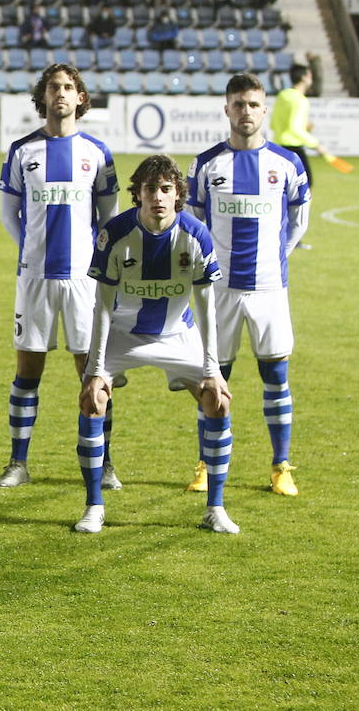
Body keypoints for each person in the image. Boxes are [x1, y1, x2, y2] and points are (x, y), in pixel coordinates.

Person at [76, 155, 237, 535]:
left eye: (166, 189)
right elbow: (100, 307)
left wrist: (212, 370)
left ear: (179, 194)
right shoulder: (115, 233)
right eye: (150, 189)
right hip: (124, 333)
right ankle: (94, 505)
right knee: (92, 399)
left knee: (218, 400)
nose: (158, 197)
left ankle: (215, 507)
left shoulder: (195, 235)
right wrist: (96, 370)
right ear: (138, 195)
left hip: (178, 334)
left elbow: (206, 307)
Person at [0, 65, 119, 489]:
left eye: (68, 87)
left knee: (92, 372)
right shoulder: (23, 151)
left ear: (81, 97)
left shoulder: (98, 153)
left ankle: (104, 463)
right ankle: (18, 463)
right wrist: (31, 249)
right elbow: (10, 214)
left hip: (84, 281)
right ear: (42, 97)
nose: (60, 93)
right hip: (34, 279)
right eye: (53, 87)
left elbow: (109, 218)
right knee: (28, 371)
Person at [186, 73, 311, 498]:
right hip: (219, 292)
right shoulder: (206, 165)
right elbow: (195, 226)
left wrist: (277, 258)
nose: (246, 112)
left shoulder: (287, 164)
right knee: (213, 380)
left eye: (254, 105)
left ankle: (281, 466)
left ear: (264, 110)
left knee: (275, 377)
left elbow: (298, 222)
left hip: (270, 290)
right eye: (238, 104)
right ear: (227, 109)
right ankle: (207, 463)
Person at [270, 60, 327, 193]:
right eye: (310, 75)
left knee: (281, 187)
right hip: (293, 148)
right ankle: (299, 214)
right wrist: (316, 145)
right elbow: (294, 128)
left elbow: (273, 124)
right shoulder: (300, 99)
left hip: (278, 147)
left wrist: (303, 127)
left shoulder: (282, 96)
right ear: (304, 77)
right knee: (306, 184)